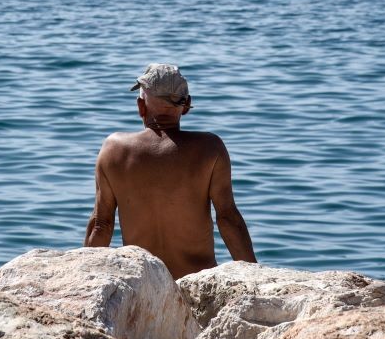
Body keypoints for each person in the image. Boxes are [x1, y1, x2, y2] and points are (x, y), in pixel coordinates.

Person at [85, 63, 257, 278]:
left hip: (144, 286)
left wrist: (85, 280)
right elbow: (228, 219)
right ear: (186, 106)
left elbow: (102, 225)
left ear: (141, 106)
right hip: (195, 283)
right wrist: (255, 278)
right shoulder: (210, 148)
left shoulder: (114, 149)